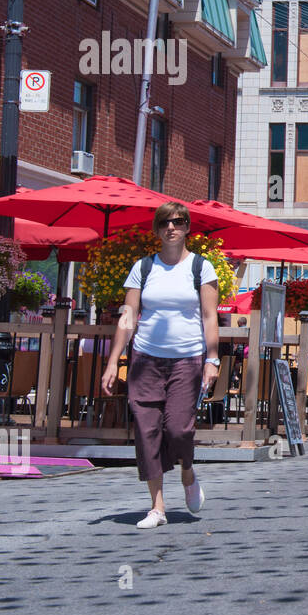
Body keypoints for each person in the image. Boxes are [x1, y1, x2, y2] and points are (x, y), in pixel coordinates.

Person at [102, 202, 219, 529]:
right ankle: (157, 507)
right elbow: (128, 317)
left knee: (178, 428)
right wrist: (113, 361)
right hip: (146, 359)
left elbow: (211, 317)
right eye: (165, 222)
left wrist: (212, 359)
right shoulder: (143, 268)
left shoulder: (201, 268)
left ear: (187, 228)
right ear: (156, 230)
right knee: (146, 429)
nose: (172, 227)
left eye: (178, 222)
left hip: (186, 359)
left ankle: (187, 471)